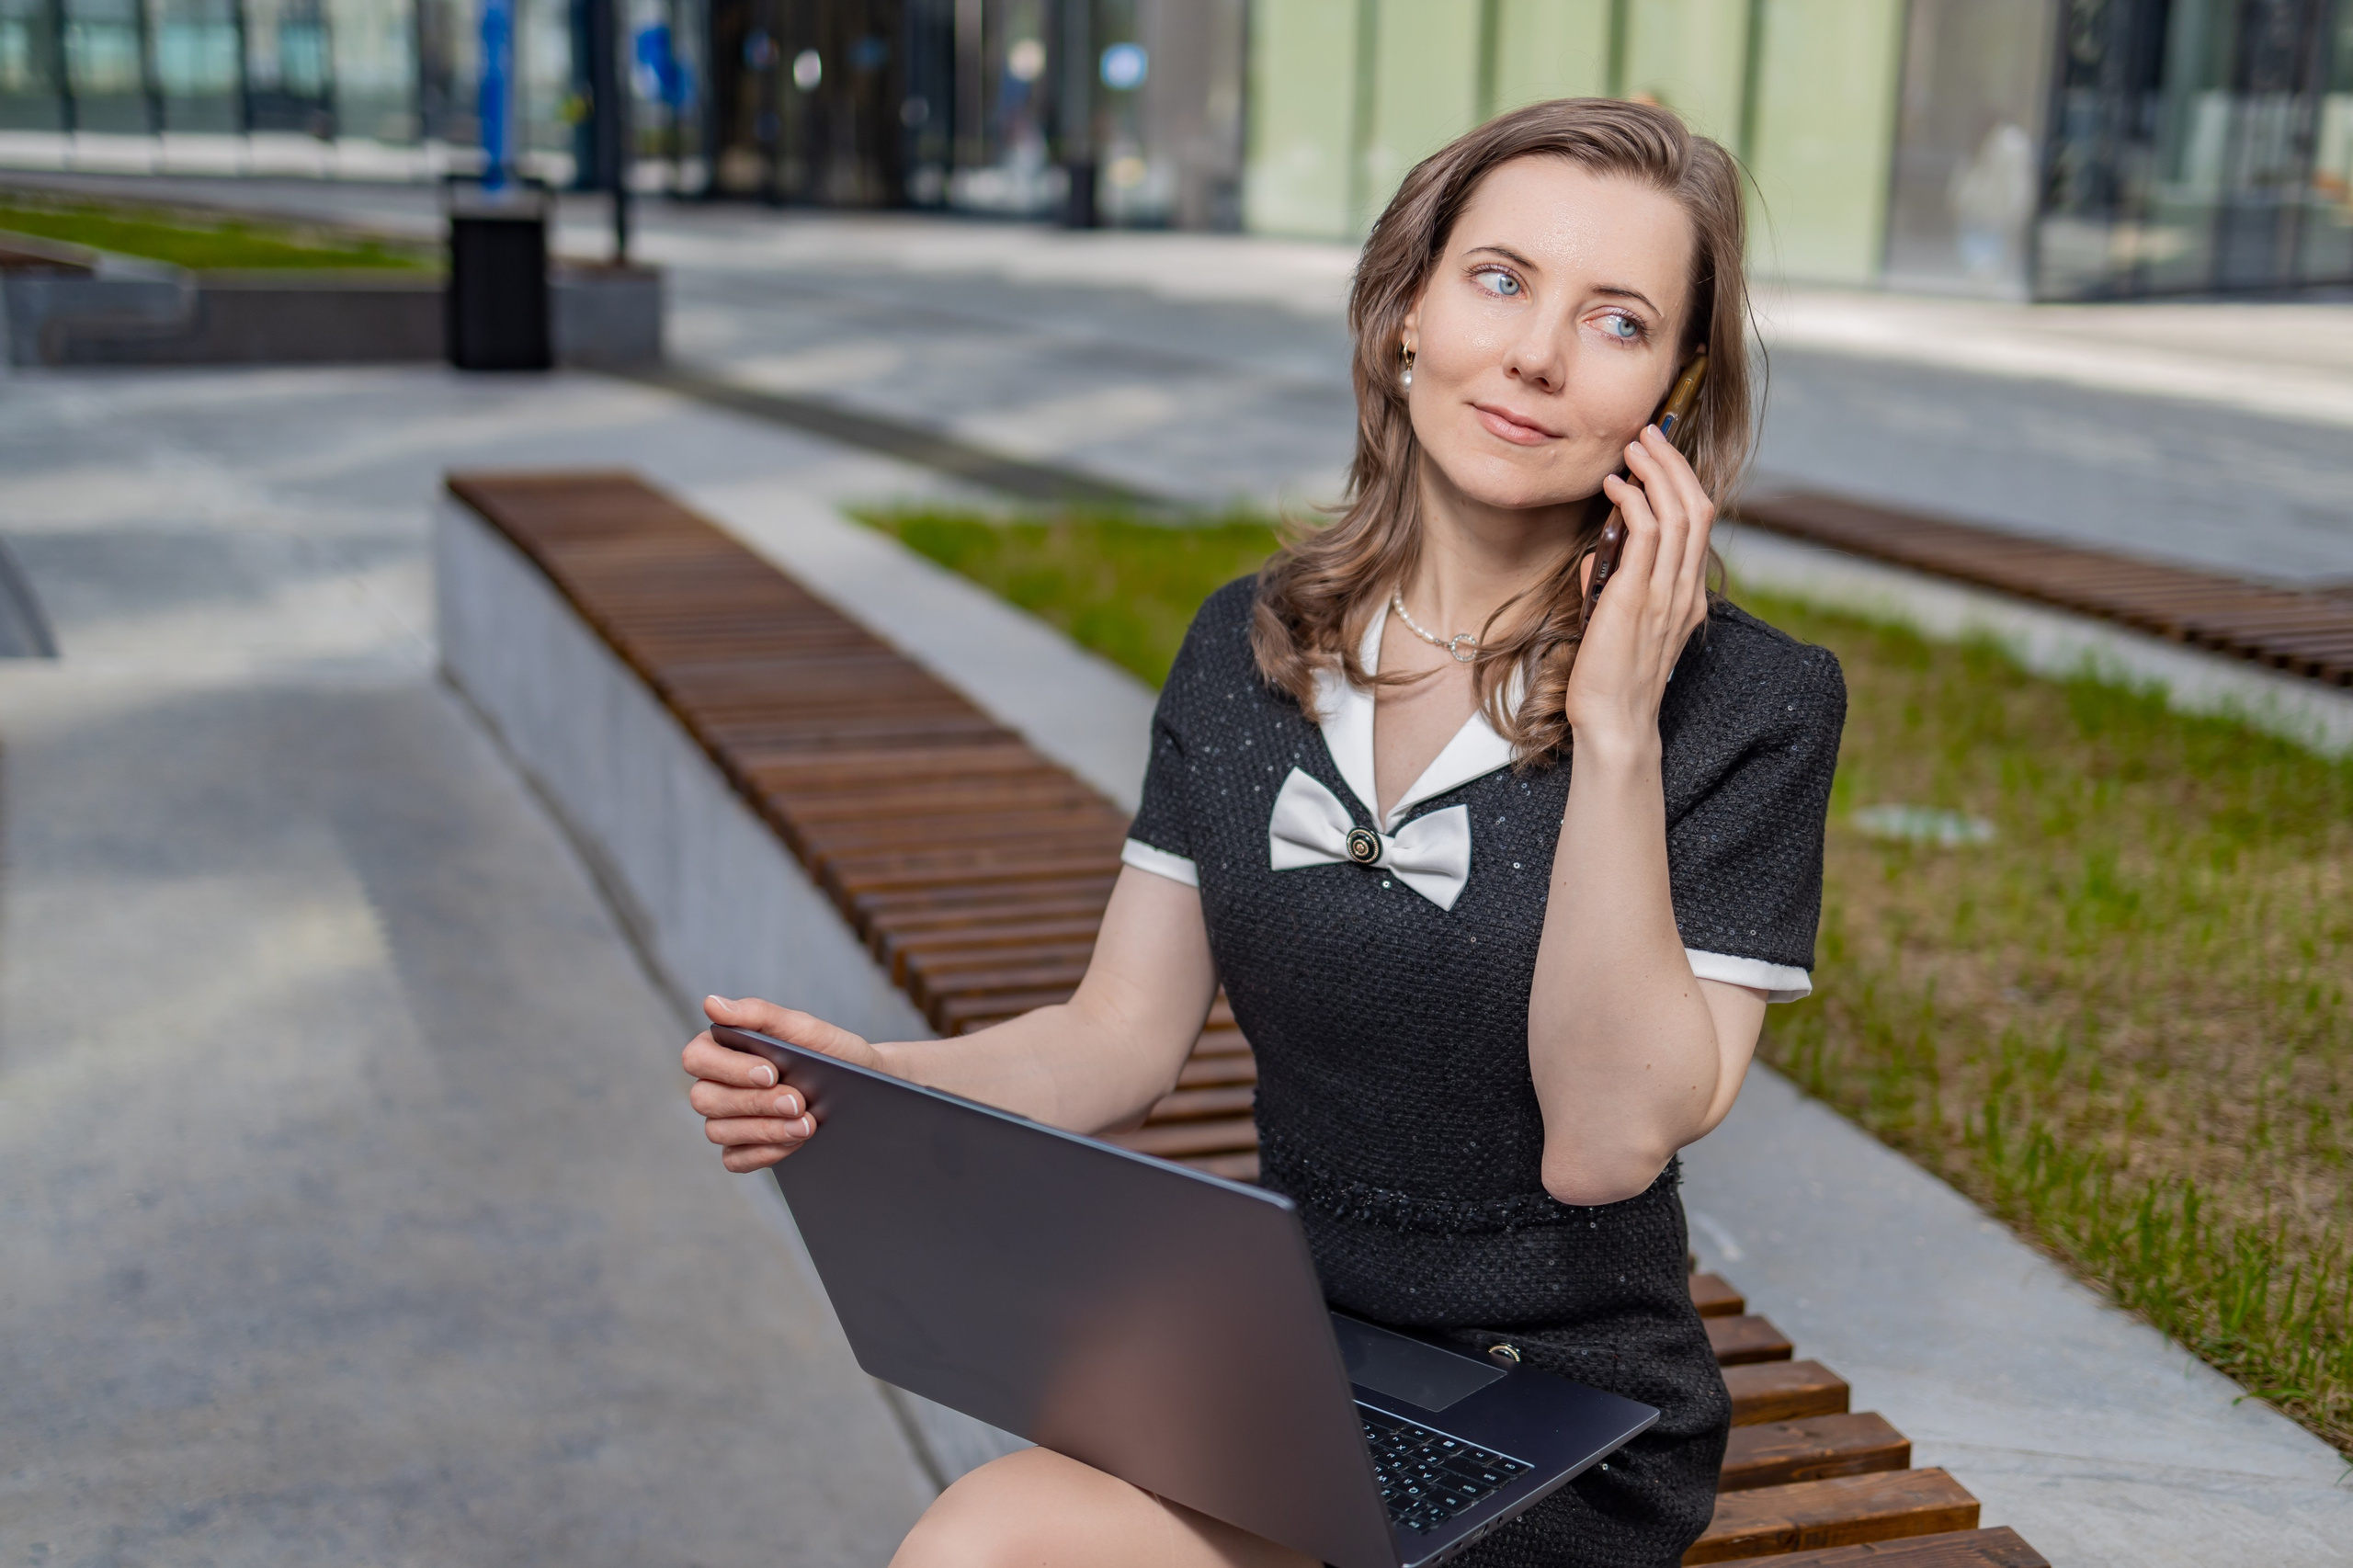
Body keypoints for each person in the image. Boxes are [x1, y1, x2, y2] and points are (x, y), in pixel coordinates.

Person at [681, 97, 1845, 1568]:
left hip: (1560, 1415)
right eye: (1499, 280)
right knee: (980, 1541)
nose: (1539, 354)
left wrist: (1614, 729)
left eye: (1615, 320)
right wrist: (883, 1081)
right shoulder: (1250, 644)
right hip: (1288, 1353)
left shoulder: (1753, 704)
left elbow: (1607, 1145)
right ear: (1407, 311)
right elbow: (1118, 1038)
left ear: (1671, 389)